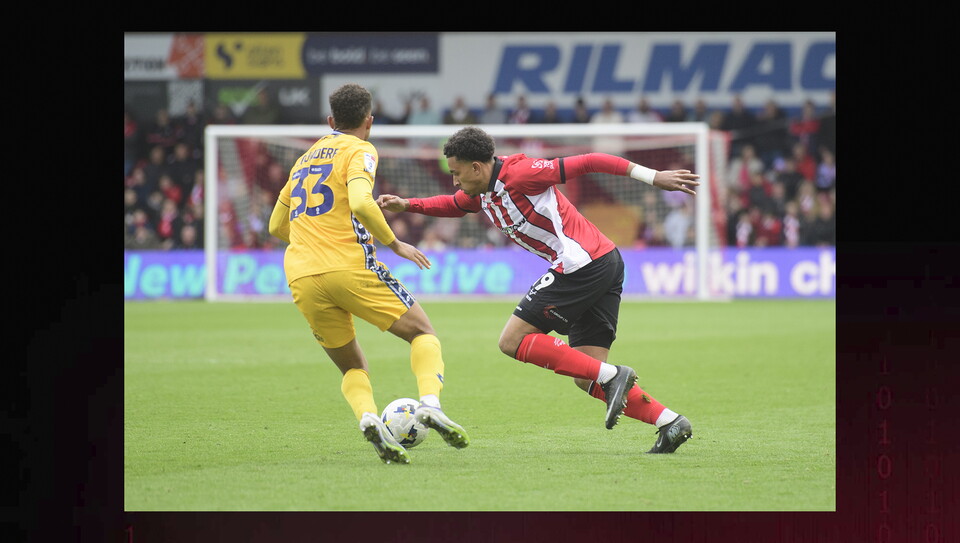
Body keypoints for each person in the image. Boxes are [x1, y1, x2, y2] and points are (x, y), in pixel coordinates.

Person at [377, 126, 699, 453]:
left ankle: (613, 374)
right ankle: (670, 422)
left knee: (512, 340)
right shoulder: (481, 191)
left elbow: (590, 161)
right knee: (585, 373)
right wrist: (407, 204)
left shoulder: (521, 173)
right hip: (603, 263)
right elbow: (454, 204)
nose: (455, 181)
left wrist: (653, 176)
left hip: (581, 263)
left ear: (477, 167)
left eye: (457, 173)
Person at [267, 83, 470, 465]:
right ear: (369, 121)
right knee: (423, 333)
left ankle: (368, 418)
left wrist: (314, 238)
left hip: (301, 275)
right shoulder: (360, 149)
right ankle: (430, 405)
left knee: (353, 365)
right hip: (348, 266)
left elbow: (277, 225)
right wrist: (395, 244)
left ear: (330, 121)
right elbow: (361, 201)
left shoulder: (304, 159)